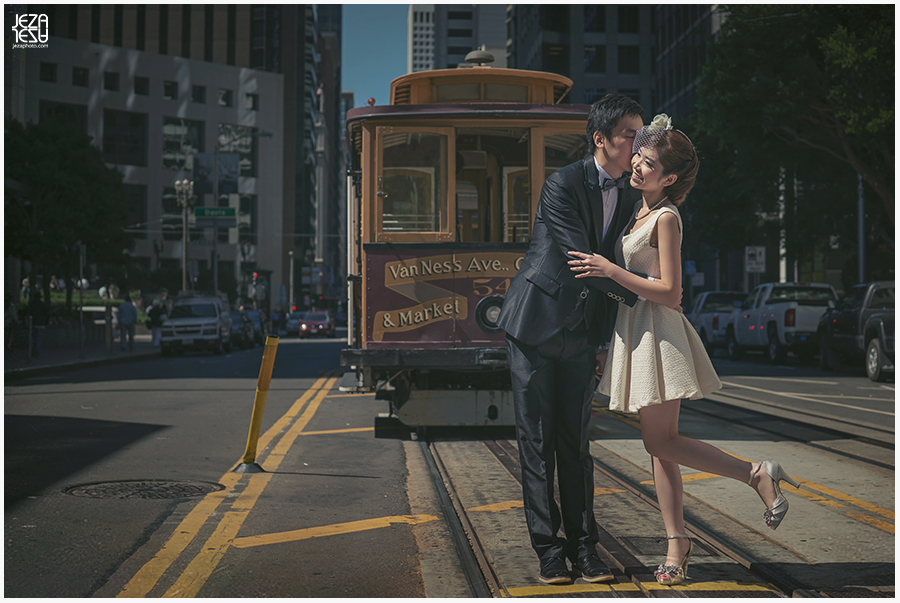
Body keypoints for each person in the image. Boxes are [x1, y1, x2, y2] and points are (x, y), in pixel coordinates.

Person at [568, 115, 801, 586]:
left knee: (660, 442)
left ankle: (755, 473)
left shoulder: (666, 217)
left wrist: (610, 270)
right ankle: (678, 542)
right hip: (636, 331)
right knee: (661, 450)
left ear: (669, 178)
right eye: (638, 156)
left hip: (658, 332)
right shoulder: (638, 211)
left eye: (648, 163)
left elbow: (672, 292)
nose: (636, 165)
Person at [495, 94, 648, 585]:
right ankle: (548, 551)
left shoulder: (631, 195)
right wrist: (649, 298)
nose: (638, 144)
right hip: (536, 327)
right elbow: (585, 262)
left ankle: (586, 549)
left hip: (583, 335)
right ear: (601, 139)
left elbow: (625, 261)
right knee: (537, 443)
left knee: (575, 447)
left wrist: (607, 334)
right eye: (631, 134)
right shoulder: (561, 184)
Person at [28, 290, 48, 356]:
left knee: (33, 338)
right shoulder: (43, 305)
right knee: (39, 338)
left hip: (33, 323)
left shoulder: (31, 304)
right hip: (41, 323)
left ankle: (33, 350)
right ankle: (37, 350)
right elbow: (46, 314)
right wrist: (46, 323)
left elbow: (28, 312)